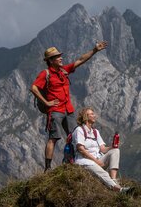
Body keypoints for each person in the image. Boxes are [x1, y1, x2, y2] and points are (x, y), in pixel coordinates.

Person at [30, 41, 108, 172]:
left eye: (60, 56)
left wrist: (94, 50)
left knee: (75, 137)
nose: (61, 58)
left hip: (68, 109)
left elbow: (80, 60)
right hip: (55, 110)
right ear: (50, 60)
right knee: (53, 138)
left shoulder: (63, 71)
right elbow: (33, 88)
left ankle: (72, 162)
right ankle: (48, 168)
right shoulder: (46, 73)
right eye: (57, 57)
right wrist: (47, 103)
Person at [73, 107, 131, 193]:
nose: (94, 116)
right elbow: (81, 149)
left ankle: (113, 179)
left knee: (116, 151)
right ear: (86, 117)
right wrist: (96, 161)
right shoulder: (79, 130)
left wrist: (113, 147)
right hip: (85, 161)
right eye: (92, 114)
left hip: (98, 160)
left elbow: (103, 149)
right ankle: (118, 190)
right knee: (103, 174)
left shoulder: (95, 132)